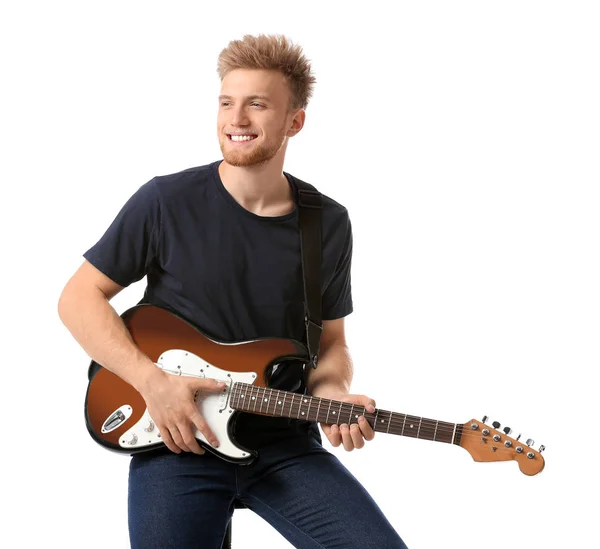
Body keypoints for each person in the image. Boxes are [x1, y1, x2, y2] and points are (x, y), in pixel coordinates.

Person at [58, 33, 408, 549]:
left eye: (257, 104)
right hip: (179, 442)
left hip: (285, 441)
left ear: (295, 121)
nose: (236, 119)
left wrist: (332, 391)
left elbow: (331, 342)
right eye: (226, 102)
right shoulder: (165, 201)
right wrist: (150, 381)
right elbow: (78, 298)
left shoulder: (327, 223)